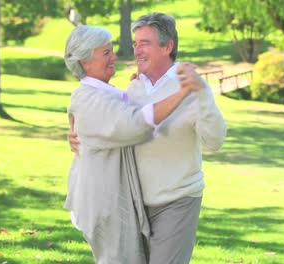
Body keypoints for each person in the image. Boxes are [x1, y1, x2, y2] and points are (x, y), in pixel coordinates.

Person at [69, 13, 227, 263]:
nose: (136, 51)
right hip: (135, 206)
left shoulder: (190, 85)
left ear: (167, 46)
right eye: (135, 44)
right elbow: (116, 123)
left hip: (177, 200)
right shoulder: (134, 88)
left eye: (145, 43)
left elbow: (215, 141)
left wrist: (204, 93)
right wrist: (77, 133)